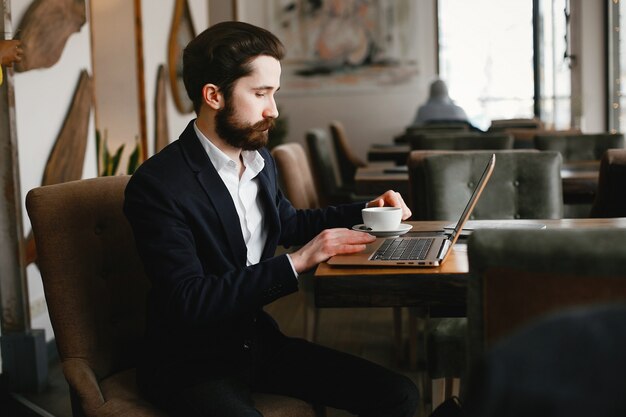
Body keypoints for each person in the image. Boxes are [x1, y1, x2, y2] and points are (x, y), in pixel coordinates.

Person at [124, 21, 419, 417]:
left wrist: (368, 209)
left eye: (274, 93)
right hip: (189, 363)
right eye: (260, 93)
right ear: (213, 95)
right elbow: (187, 300)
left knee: (398, 394)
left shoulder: (259, 161)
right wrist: (296, 262)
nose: (273, 110)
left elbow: (289, 223)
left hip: (255, 343)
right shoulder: (158, 184)